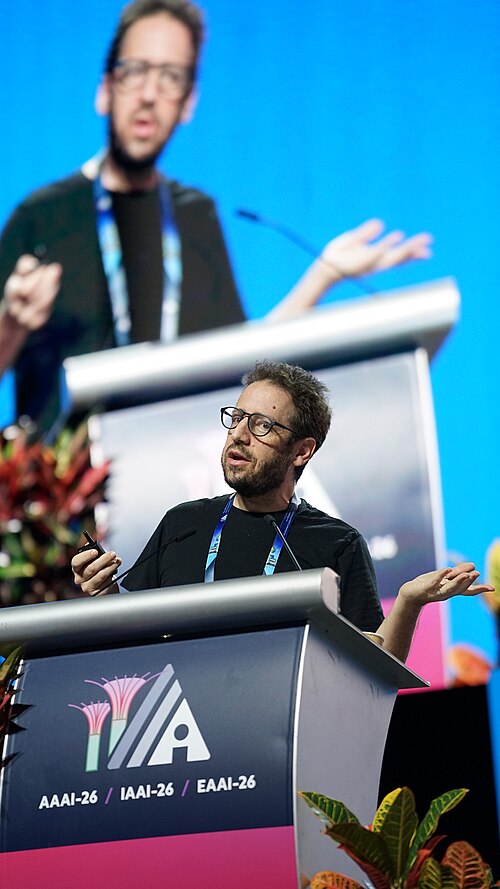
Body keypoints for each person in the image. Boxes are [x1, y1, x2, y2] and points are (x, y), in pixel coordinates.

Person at [0, 0, 432, 431]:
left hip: (173, 480)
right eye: (135, 70)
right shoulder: (41, 217)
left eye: (171, 77)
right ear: (105, 89)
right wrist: (11, 326)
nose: (150, 94)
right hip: (60, 489)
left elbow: (241, 362)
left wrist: (322, 276)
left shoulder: (195, 218)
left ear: (188, 103)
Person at [71, 360, 493, 663]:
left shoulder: (336, 543)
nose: (238, 435)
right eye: (236, 419)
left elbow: (375, 666)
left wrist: (408, 601)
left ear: (302, 450)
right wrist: (103, 591)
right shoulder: (183, 523)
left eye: (261, 425)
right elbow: (130, 639)